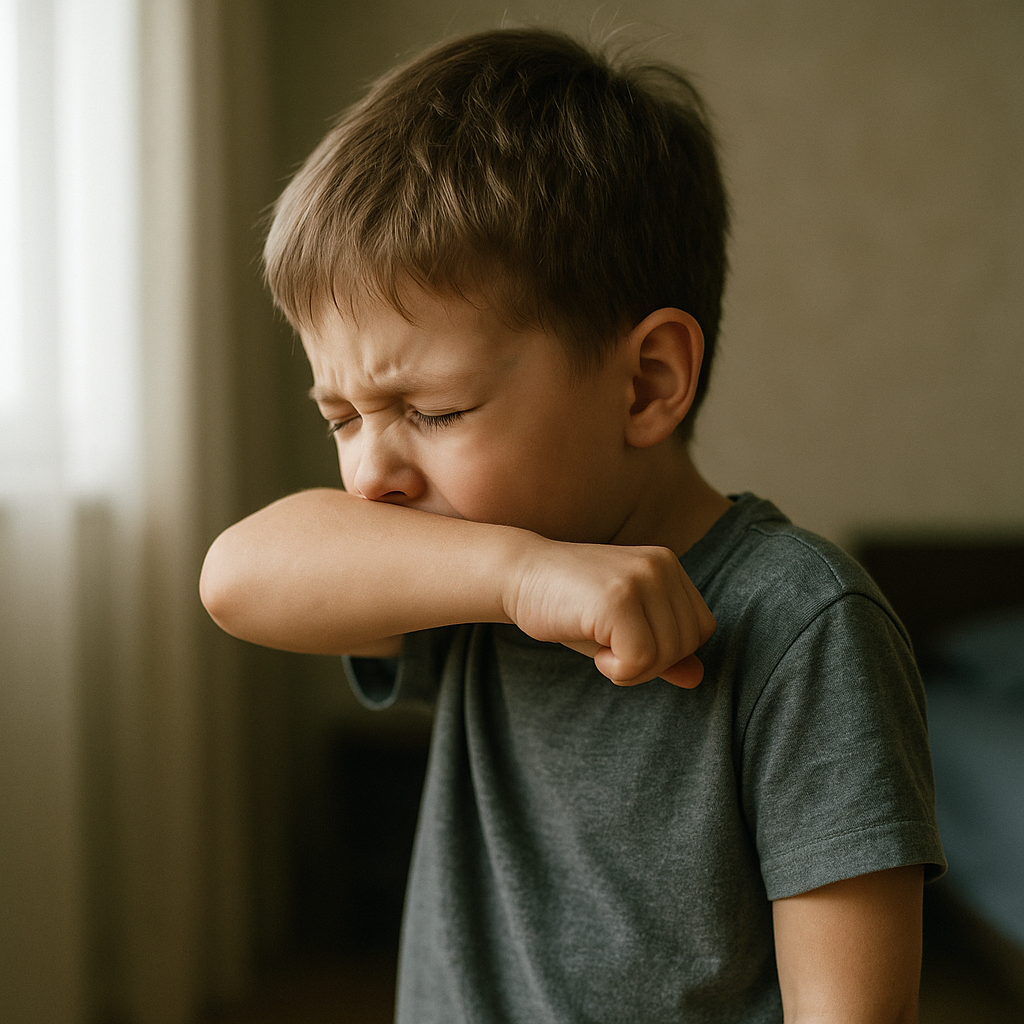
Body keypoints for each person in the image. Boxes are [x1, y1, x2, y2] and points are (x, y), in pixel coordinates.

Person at [200, 27, 945, 1023]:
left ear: (646, 382)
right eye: (340, 417)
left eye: (433, 411)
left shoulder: (800, 620)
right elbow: (237, 576)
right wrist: (514, 574)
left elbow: (847, 1008)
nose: (370, 469)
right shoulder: (472, 575)